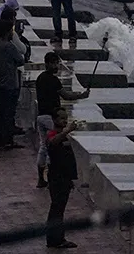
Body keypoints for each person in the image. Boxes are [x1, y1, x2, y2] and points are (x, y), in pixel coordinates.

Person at [35, 51, 88, 189]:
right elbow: (66, 96)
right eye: (54, 63)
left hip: (40, 116)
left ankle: (41, 178)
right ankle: (57, 176)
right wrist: (81, 95)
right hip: (50, 118)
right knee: (56, 147)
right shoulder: (53, 80)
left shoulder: (40, 78)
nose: (56, 65)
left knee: (43, 146)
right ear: (47, 64)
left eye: (57, 62)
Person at [0, 14, 30, 148]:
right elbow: (20, 60)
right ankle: (8, 139)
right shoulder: (9, 46)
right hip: (10, 83)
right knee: (8, 112)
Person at [45, 108, 79, 249]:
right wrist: (68, 130)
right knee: (56, 209)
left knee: (59, 209)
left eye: (66, 118)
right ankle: (55, 239)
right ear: (54, 120)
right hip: (57, 178)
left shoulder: (62, 135)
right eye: (61, 119)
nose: (64, 121)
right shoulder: (53, 133)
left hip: (64, 178)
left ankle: (58, 238)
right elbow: (52, 142)